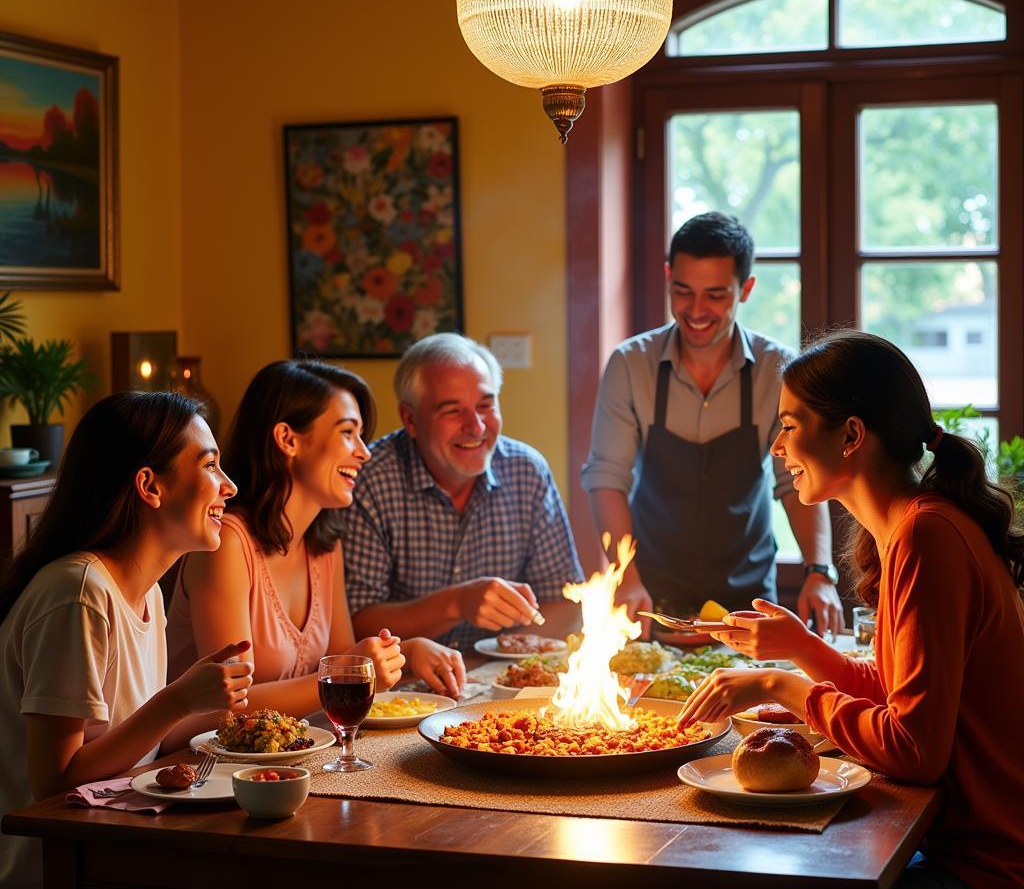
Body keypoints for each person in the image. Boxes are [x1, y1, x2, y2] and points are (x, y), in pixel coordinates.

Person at [678, 330, 1024, 889]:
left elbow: (915, 749)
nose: (777, 448)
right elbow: (901, 697)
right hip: (957, 847)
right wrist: (802, 647)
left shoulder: (925, 537)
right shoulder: (908, 528)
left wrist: (784, 685)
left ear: (851, 435)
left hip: (990, 873)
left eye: (790, 426)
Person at [0, 393, 254, 889]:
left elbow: (134, 741)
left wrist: (219, 712)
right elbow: (55, 784)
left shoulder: (145, 593)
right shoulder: (78, 593)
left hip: (119, 857)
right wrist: (178, 701)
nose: (229, 486)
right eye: (209, 465)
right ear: (149, 486)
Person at [582, 211, 842, 637]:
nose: (696, 311)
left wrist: (818, 571)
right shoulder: (631, 364)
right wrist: (625, 577)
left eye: (716, 296)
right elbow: (607, 479)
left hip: (749, 598)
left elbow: (796, 478)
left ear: (747, 290)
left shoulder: (778, 369)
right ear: (668, 277)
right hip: (651, 594)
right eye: (683, 291)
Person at [168, 359, 461, 710]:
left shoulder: (323, 545)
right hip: (198, 760)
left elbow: (343, 668)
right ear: (288, 439)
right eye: (347, 433)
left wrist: (406, 653)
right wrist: (349, 674)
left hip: (290, 753)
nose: (364, 452)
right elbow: (229, 704)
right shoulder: (227, 544)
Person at [342, 333, 584, 660]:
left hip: (497, 681)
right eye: (452, 411)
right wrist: (457, 603)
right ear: (410, 419)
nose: (477, 427)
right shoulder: (370, 478)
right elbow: (357, 624)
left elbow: (566, 605)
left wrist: (493, 665)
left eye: (486, 405)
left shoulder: (527, 471)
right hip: (402, 691)